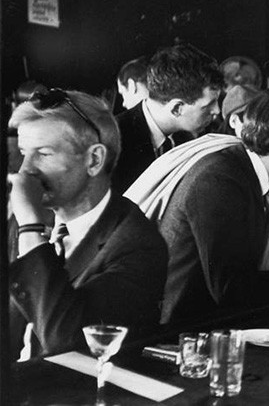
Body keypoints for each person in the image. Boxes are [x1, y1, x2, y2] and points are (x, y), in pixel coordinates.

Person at [129, 88, 269, 324]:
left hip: (211, 319)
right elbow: (229, 288)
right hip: (183, 329)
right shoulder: (220, 181)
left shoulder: (240, 166)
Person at [7, 89, 167, 359]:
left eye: (43, 154)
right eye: (24, 153)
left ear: (94, 160)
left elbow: (67, 341)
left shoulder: (138, 244)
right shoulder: (23, 218)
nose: (25, 170)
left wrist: (31, 230)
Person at [112, 44, 223, 193]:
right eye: (208, 105)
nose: (217, 110)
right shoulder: (114, 141)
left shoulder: (188, 137)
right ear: (176, 108)